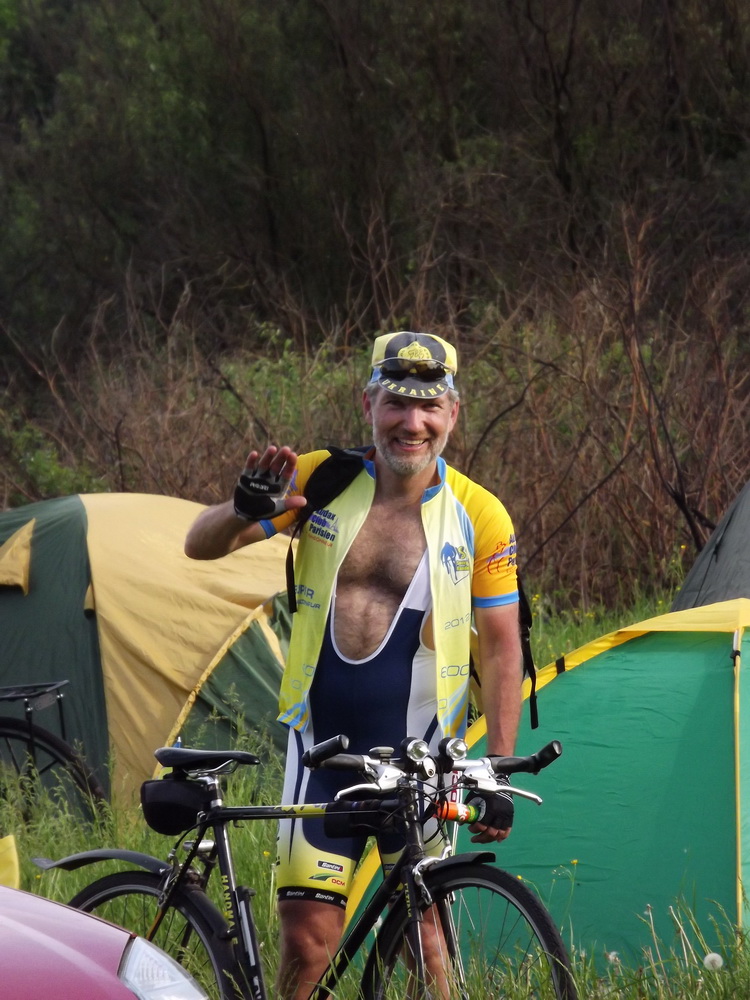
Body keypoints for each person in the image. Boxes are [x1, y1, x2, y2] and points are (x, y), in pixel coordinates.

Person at [184, 331, 522, 999]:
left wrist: (498, 769)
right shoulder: (321, 478)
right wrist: (239, 511)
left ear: (453, 413)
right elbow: (201, 545)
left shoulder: (480, 516)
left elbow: (502, 646)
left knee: (427, 943)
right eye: (396, 403)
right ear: (368, 403)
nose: (412, 423)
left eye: (429, 407)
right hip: (322, 750)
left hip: (423, 754)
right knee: (307, 944)